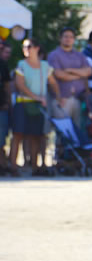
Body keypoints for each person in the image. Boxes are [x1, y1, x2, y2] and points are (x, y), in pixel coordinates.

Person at [9, 38, 60, 176]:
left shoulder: (45, 66)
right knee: (18, 135)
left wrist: (58, 97)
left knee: (35, 136)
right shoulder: (21, 65)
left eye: (29, 46)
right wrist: (36, 97)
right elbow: (20, 85)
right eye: (24, 47)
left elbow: (53, 83)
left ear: (37, 48)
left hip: (38, 106)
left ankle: (35, 167)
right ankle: (13, 167)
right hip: (23, 103)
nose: (26, 49)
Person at [47, 27, 91, 128]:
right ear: (60, 38)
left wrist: (71, 70)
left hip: (78, 99)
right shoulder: (54, 55)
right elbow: (59, 75)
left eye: (71, 37)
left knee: (78, 132)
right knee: (63, 133)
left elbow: (89, 71)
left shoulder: (80, 55)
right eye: (66, 36)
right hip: (62, 99)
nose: (68, 39)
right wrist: (80, 74)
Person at [0, 41, 12, 174]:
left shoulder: (2, 64)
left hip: (1, 106)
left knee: (1, 139)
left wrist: (8, 103)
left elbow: (7, 86)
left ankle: (2, 166)